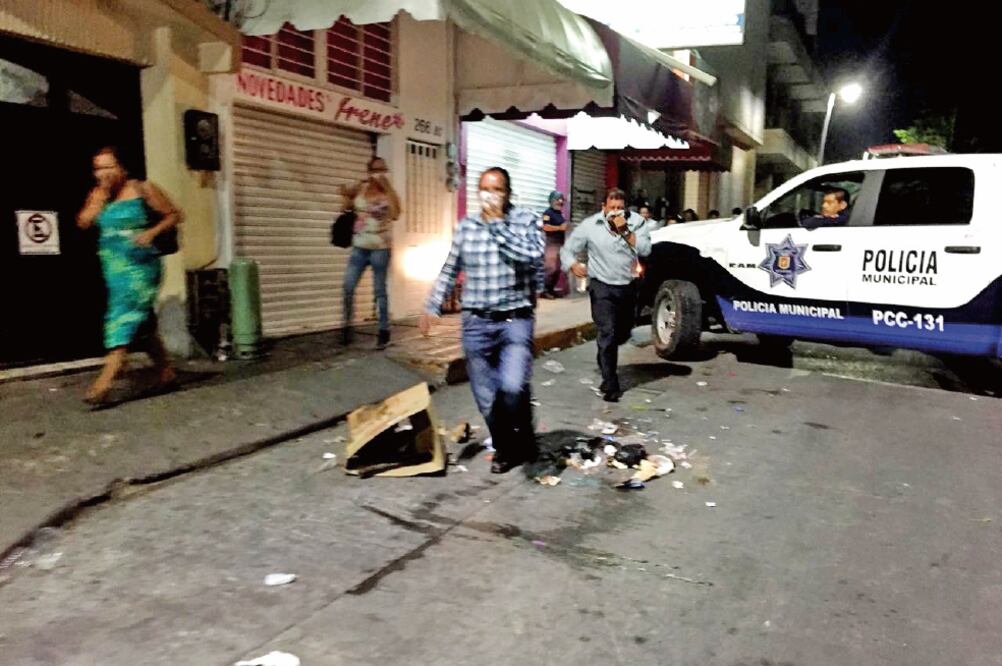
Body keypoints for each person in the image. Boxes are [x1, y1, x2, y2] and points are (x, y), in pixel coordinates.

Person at [420, 167, 544, 474]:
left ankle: (523, 433)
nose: (490, 195)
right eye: (485, 189)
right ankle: (506, 448)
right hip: (476, 323)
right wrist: (432, 305)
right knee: (487, 397)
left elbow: (532, 256)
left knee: (512, 387)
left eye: (497, 189)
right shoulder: (467, 227)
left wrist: (498, 224)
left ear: (508, 193)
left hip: (514, 320)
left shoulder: (524, 221)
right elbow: (451, 267)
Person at [76, 146, 182, 405]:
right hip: (114, 268)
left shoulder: (143, 189)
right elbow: (83, 222)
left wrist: (151, 233)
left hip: (140, 267)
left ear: (122, 168)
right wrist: (98, 202)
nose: (102, 173)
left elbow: (174, 215)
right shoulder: (98, 195)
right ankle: (166, 372)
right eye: (98, 168)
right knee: (142, 322)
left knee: (121, 316)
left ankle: (104, 382)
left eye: (108, 166)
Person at [561, 188, 652, 403]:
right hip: (601, 286)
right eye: (612, 208)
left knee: (621, 333)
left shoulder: (636, 222)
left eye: (620, 208)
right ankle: (611, 383)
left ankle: (605, 358)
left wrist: (626, 233)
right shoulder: (590, 225)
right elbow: (567, 250)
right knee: (607, 333)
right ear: (604, 207)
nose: (615, 212)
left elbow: (646, 250)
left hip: (627, 286)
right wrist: (573, 265)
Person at [342, 157, 401, 349]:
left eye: (382, 170)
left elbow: (396, 214)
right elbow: (345, 206)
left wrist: (388, 189)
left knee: (379, 290)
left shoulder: (389, 193)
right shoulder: (361, 188)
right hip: (359, 247)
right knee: (348, 286)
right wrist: (348, 194)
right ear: (368, 172)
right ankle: (347, 326)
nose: (379, 174)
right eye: (375, 170)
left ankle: (384, 331)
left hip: (380, 249)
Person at [540, 190, 568, 298]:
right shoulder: (548, 213)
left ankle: (551, 290)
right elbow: (545, 227)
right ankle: (545, 291)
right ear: (551, 201)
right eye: (557, 199)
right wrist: (559, 228)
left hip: (560, 243)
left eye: (561, 199)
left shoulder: (559, 214)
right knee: (551, 268)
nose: (560, 202)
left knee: (558, 268)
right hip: (551, 244)